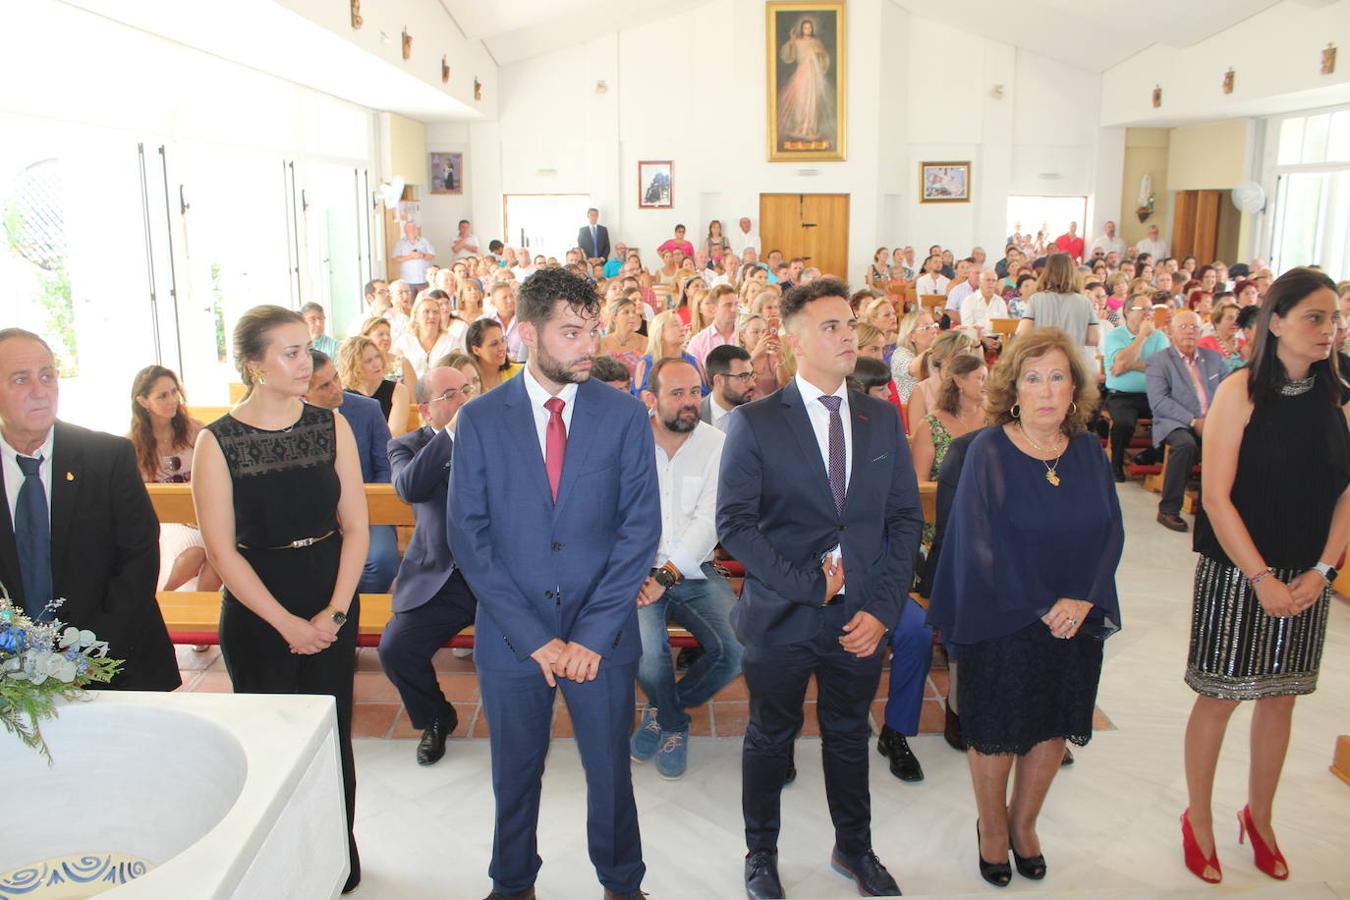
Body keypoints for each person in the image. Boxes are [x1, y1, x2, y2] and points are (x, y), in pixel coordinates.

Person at [447, 267, 660, 900]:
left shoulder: (623, 415)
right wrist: (534, 637)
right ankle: (512, 884)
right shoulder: (481, 419)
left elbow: (639, 531)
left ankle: (622, 884)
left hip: (603, 634)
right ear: (527, 333)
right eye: (571, 332)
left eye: (593, 329)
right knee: (514, 775)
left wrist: (591, 635)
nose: (589, 345)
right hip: (513, 635)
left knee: (610, 773)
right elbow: (470, 537)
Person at [718, 278, 922, 898]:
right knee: (769, 737)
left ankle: (854, 848)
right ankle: (760, 854)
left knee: (849, 733)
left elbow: (904, 520)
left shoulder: (880, 418)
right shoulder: (756, 422)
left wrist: (883, 609)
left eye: (849, 324)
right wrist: (810, 586)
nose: (847, 336)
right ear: (796, 341)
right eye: (831, 326)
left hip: (860, 617)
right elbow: (735, 525)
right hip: (782, 613)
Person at [927, 327, 1123, 888]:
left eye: (1058, 377)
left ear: (1074, 388)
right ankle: (992, 827)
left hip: (1075, 615)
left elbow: (1111, 531)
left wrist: (1083, 598)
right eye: (1033, 378)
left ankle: (1025, 823)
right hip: (1003, 614)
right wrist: (1043, 604)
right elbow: (980, 542)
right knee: (997, 728)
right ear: (1013, 388)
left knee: (1052, 722)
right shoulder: (988, 450)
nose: (1046, 389)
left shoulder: (1087, 450)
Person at [1180, 268, 1349, 885]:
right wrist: (1260, 577)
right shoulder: (1240, 391)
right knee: (1221, 696)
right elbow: (1216, 498)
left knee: (1281, 697)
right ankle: (1198, 818)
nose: (1328, 330)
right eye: (1314, 317)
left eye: (1334, 318)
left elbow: (1347, 492)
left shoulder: (1341, 394)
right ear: (1276, 322)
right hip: (1238, 572)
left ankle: (1261, 817)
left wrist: (1323, 570)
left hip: (1309, 576)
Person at [192, 308, 367, 893]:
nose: (306, 363)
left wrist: (334, 612)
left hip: (329, 590)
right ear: (254, 364)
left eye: (307, 349)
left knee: (330, 735)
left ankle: (337, 859)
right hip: (257, 604)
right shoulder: (217, 441)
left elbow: (356, 528)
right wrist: (287, 623)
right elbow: (221, 552)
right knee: (271, 744)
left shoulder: (330, 425)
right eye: (290, 352)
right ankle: (281, 870)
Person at [0, 328, 179, 690]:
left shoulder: (106, 457)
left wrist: (85, 656)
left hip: (115, 663)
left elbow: (139, 559)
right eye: (21, 380)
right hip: (11, 676)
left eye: (47, 376)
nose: (40, 391)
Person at [630, 358, 742, 779]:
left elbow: (710, 520)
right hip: (639, 572)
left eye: (695, 391)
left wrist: (667, 575)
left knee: (739, 648)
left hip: (695, 569)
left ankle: (663, 711)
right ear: (651, 398)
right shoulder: (629, 442)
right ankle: (675, 723)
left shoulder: (716, 443)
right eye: (676, 393)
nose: (689, 401)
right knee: (647, 657)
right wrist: (635, 573)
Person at [379, 365, 478, 767]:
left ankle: (518, 721)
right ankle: (437, 715)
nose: (464, 401)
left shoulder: (497, 438)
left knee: (513, 647)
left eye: (467, 390)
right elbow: (409, 487)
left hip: (494, 574)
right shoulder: (405, 446)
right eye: (450, 395)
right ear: (424, 409)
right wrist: (451, 433)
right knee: (396, 649)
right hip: (440, 576)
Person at [305, 350, 398, 594]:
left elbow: (386, 466)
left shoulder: (368, 409)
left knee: (381, 561)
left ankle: (355, 606)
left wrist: (359, 507)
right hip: (314, 515)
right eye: (325, 386)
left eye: (336, 377)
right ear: (303, 393)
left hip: (368, 506)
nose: (337, 388)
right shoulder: (293, 422)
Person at [128, 365, 220, 592]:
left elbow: (217, 475)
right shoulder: (132, 445)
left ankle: (200, 607)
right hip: (164, 520)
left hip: (201, 514)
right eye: (162, 396)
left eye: (174, 392)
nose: (172, 400)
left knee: (220, 555)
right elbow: (134, 499)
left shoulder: (196, 431)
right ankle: (161, 598)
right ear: (143, 401)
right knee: (196, 551)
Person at [1146, 311, 1229, 532]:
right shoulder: (1159, 361)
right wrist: (1194, 421)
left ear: (1201, 332)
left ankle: (1215, 509)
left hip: (1213, 420)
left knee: (1235, 444)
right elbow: (1159, 401)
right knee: (1185, 445)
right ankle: (1168, 510)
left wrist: (1216, 419)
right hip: (1176, 422)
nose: (1189, 331)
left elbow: (1228, 391)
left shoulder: (1214, 358)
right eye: (1183, 327)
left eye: (1194, 327)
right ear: (1171, 332)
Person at [1102, 292, 1170, 480]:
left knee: (1173, 418)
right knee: (1124, 423)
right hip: (1121, 395)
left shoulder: (1160, 337)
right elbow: (1121, 361)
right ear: (1127, 311)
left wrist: (1129, 364)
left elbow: (1162, 368)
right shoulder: (1115, 335)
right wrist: (1141, 336)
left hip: (1154, 394)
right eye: (1142, 309)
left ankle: (1149, 455)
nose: (1148, 313)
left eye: (1150, 309)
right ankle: (1115, 463)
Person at [1016, 253, 1100, 369]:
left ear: (1048, 272)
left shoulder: (1035, 299)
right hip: (1074, 363)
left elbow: (1024, 334)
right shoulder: (1085, 302)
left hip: (1044, 361)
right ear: (1073, 273)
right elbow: (1093, 339)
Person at [337, 335, 412, 437]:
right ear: (354, 366)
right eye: (368, 361)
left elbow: (394, 435)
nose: (376, 364)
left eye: (377, 357)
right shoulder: (344, 397)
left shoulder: (398, 391)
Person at [632, 309, 700, 397]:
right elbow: (639, 399)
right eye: (675, 325)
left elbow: (704, 395)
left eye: (682, 325)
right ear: (660, 332)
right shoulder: (645, 364)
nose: (682, 329)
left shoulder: (693, 362)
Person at [396, 295, 458, 378]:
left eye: (435, 312)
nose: (432, 316)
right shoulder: (403, 343)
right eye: (426, 312)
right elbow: (396, 376)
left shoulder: (451, 343)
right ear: (416, 316)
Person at [701, 344, 757, 432]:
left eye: (751, 375)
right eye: (743, 376)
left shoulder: (759, 413)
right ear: (719, 380)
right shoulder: (693, 416)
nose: (752, 384)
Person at [889, 310, 939, 403]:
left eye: (934, 326)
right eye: (927, 328)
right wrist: (934, 347)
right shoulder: (900, 354)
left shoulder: (934, 354)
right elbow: (915, 369)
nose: (934, 331)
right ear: (911, 336)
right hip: (907, 409)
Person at [686, 285, 739, 370]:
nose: (734, 309)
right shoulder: (698, 341)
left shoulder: (746, 335)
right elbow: (690, 373)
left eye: (736, 304)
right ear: (713, 308)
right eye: (727, 305)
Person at [465, 319, 524, 394]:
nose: (502, 348)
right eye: (494, 344)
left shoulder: (520, 372)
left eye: (503, 340)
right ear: (476, 350)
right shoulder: (467, 383)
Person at [1198, 301, 1244, 372]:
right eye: (1230, 318)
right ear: (1217, 321)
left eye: (1238, 319)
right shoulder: (1204, 344)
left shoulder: (1244, 343)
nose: (1235, 322)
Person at [392, 223, 436, 294]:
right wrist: (410, 257)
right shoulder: (400, 243)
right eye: (409, 229)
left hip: (423, 279)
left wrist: (422, 255)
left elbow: (432, 255)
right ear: (405, 231)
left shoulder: (424, 241)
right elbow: (395, 259)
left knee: (424, 299)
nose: (412, 231)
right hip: (407, 280)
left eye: (413, 229)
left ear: (416, 230)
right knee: (409, 300)